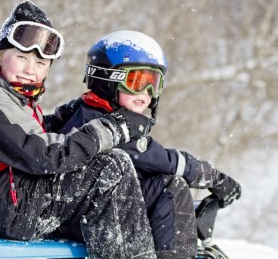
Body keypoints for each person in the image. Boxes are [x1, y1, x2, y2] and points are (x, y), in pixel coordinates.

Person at [0, 1, 159, 259]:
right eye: (21, 57)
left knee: (104, 187)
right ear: (0, 55)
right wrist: (115, 127)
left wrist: (69, 113)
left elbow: (24, 135)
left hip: (5, 198)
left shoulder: (4, 94)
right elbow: (41, 155)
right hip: (5, 208)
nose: (30, 70)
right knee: (111, 166)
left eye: (41, 63)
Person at [60, 30, 242, 258]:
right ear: (107, 80)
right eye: (136, 82)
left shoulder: (96, 114)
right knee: (169, 186)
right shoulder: (99, 123)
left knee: (162, 187)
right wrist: (214, 178)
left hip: (93, 209)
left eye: (152, 84)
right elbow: (158, 159)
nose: (146, 93)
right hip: (86, 215)